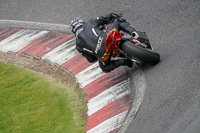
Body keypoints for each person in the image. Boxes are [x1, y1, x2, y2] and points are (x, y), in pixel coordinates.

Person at [69, 13, 137, 73]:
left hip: (102, 54)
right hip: (107, 38)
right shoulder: (89, 23)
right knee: (118, 21)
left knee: (105, 68)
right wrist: (113, 15)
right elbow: (104, 18)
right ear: (82, 22)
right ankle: (134, 33)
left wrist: (97, 51)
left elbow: (91, 59)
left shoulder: (77, 45)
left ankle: (126, 61)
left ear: (73, 31)